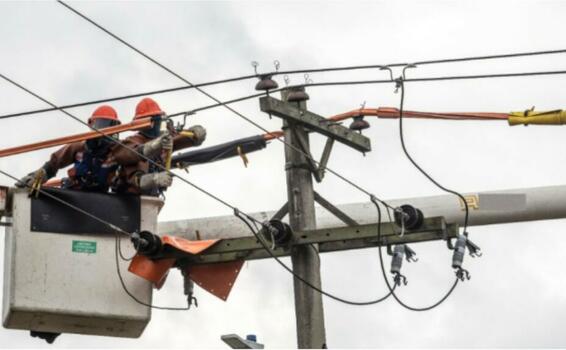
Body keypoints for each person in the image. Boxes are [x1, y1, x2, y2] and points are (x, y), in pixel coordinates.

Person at [111, 97, 206, 195]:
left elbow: (179, 138)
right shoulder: (133, 141)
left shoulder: (164, 139)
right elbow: (128, 154)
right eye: (152, 122)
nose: (156, 125)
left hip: (152, 198)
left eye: (158, 121)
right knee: (135, 162)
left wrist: (195, 134)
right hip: (129, 198)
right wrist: (154, 178)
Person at [16, 105, 122, 192]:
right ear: (92, 125)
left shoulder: (117, 152)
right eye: (103, 124)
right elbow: (55, 162)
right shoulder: (79, 147)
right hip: (75, 193)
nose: (106, 130)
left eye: (111, 126)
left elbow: (130, 159)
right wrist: (38, 176)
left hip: (100, 198)